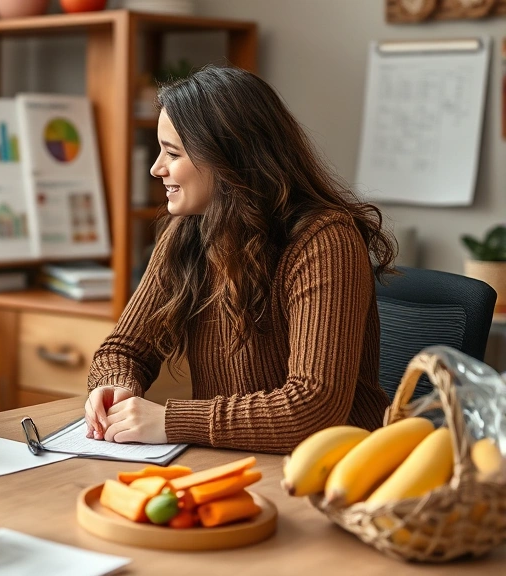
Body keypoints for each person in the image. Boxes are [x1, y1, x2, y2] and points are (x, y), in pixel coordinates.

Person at [84, 66, 395, 454]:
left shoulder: (325, 241)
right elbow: (123, 349)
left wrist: (170, 420)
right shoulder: (189, 230)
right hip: (228, 458)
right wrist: (115, 382)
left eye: (173, 153)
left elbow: (313, 407)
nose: (156, 168)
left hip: (337, 471)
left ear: (228, 158)